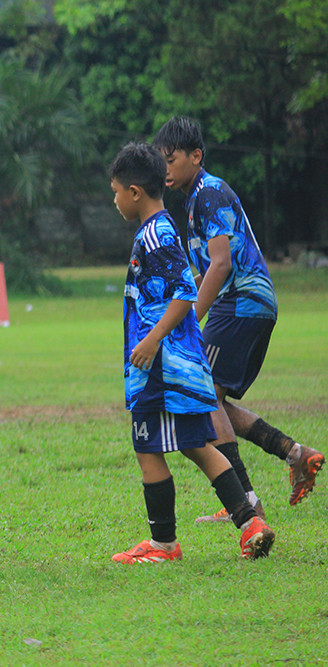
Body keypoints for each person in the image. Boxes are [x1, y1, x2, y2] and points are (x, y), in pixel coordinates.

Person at [108, 142, 274, 563]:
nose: (113, 201)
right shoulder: (160, 229)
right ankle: (251, 522)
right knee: (197, 445)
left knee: (148, 447)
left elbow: (184, 290)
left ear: (134, 192)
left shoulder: (156, 234)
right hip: (175, 362)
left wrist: (152, 340)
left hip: (162, 364)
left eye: (115, 192)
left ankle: (163, 545)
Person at [154, 116, 323, 523]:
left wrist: (190, 318)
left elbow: (222, 265)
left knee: (202, 396)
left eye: (172, 159)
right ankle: (295, 453)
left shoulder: (209, 193)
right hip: (250, 304)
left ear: (196, 156)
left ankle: (246, 506)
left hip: (240, 303)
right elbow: (207, 269)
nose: (165, 170)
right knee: (214, 399)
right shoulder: (196, 199)